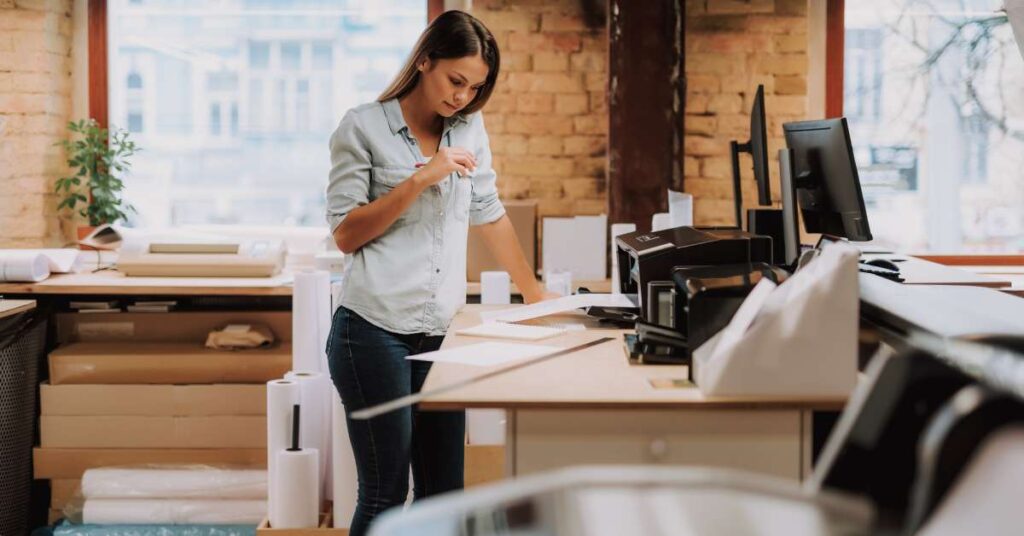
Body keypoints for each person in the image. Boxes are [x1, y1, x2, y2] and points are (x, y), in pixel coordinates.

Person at [324, 10, 556, 535]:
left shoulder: (469, 128)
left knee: (444, 495)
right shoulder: (362, 127)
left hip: (440, 336)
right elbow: (346, 234)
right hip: (372, 331)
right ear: (425, 60)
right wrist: (420, 179)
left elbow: (489, 212)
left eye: (474, 88)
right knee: (386, 494)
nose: (462, 97)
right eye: (456, 81)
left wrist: (534, 292)